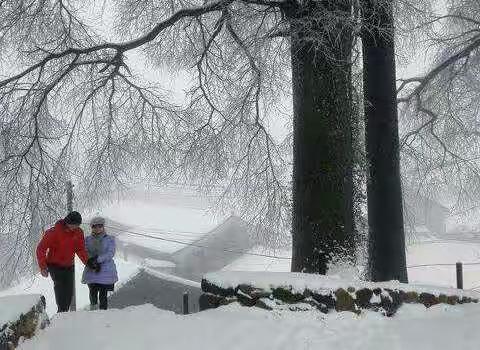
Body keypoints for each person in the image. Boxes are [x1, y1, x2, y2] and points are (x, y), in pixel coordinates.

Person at [36, 211, 91, 312]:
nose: (74, 227)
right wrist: (43, 267)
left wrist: (88, 262)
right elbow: (41, 248)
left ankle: (63, 315)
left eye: (77, 225)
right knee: (61, 295)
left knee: (69, 295)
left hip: (69, 266)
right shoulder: (53, 232)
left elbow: (80, 249)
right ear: (67, 222)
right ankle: (61, 316)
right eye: (73, 225)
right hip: (55, 266)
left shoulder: (79, 232)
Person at [82, 216, 118, 310]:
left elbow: (110, 253)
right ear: (92, 227)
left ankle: (103, 314)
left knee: (103, 295)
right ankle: (93, 312)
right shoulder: (87, 239)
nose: (97, 228)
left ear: (103, 226)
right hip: (92, 269)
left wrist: (97, 259)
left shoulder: (110, 239)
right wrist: (91, 261)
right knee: (92, 293)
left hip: (105, 270)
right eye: (95, 226)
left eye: (100, 226)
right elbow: (85, 251)